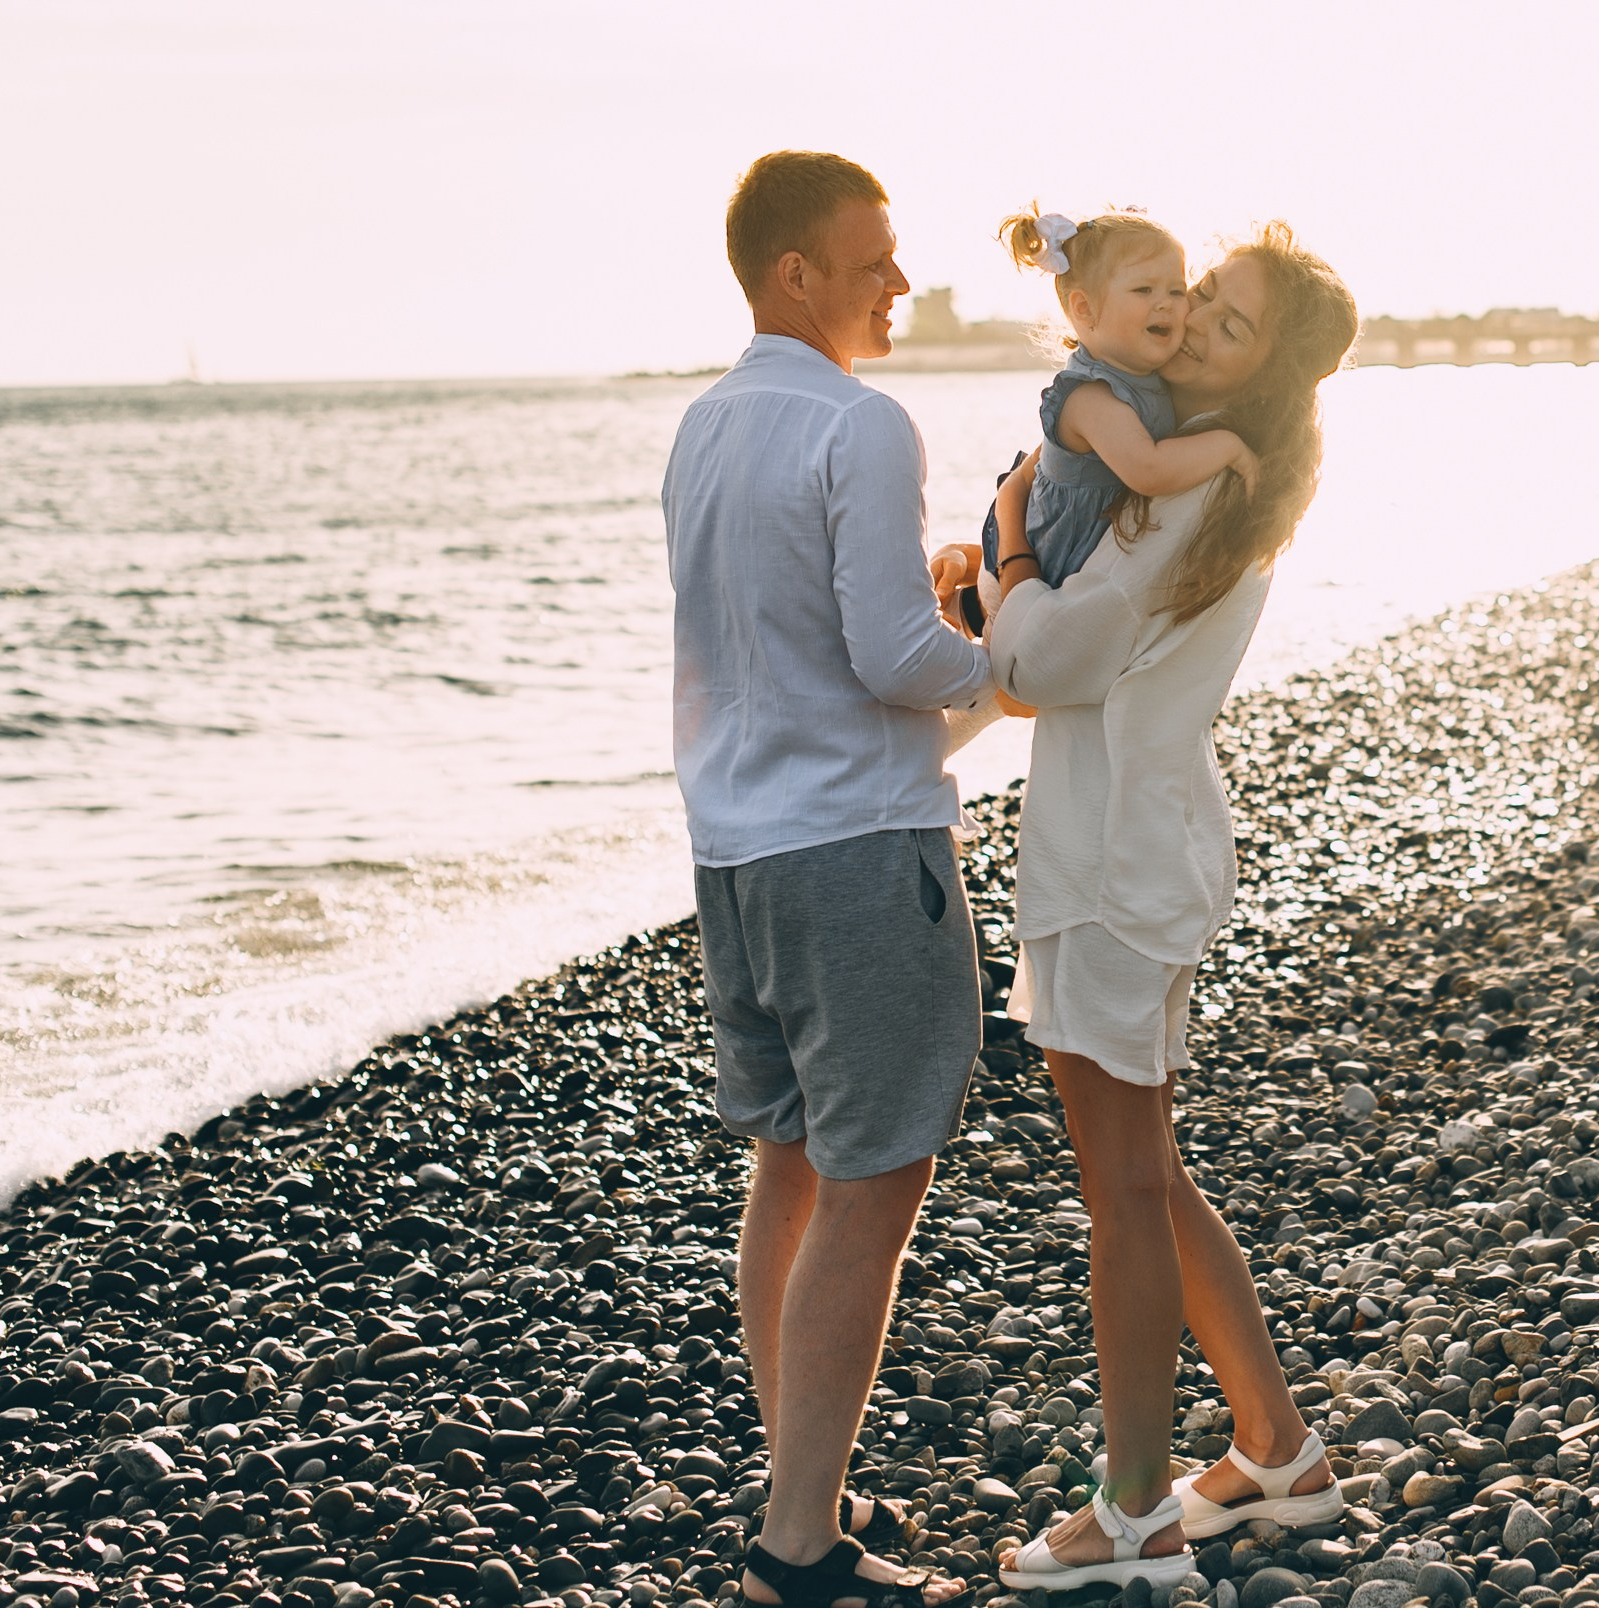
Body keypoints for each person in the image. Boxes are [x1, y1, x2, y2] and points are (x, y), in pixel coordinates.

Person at [964, 224, 1362, 1592]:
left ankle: (1133, 1512)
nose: (1190, 323)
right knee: (1145, 1169)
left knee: (1124, 1187)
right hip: (1141, 846)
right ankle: (1276, 1450)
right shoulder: (1200, 473)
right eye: (1201, 299)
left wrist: (1007, 547)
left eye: (1227, 325)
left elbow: (1048, 661)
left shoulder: (1179, 493)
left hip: (1113, 863)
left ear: (1263, 378)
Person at [660, 150, 991, 1608]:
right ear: (794, 274)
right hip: (856, 851)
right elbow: (892, 660)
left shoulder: (702, 426)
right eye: (874, 260)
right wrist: (1010, 656)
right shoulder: (860, 422)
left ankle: (803, 1481)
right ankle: (799, 1549)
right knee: (868, 1189)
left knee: (790, 1164)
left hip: (734, 851)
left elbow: (774, 639)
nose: (900, 282)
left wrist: (932, 615)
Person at [971, 208, 1259, 608]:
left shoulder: (1144, 378)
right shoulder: (1090, 397)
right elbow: (1149, 470)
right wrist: (1230, 447)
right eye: (1144, 290)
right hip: (1030, 570)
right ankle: (968, 608)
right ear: (1085, 309)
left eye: (1177, 291)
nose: (1166, 304)